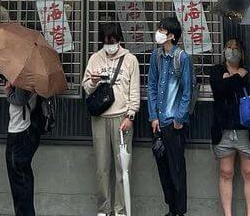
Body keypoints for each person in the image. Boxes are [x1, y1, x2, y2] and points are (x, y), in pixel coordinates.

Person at [82, 22, 140, 216]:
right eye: (106, 41)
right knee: (102, 166)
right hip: (99, 119)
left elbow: (134, 91)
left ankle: (121, 210)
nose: (110, 44)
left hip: (122, 118)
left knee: (122, 168)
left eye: (112, 40)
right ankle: (103, 208)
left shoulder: (130, 59)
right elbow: (86, 88)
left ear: (119, 39)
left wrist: (131, 115)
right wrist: (93, 81)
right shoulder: (95, 59)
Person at [148, 15, 193, 216]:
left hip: (175, 123)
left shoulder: (182, 58)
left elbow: (187, 91)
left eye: (162, 31)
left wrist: (179, 118)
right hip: (159, 121)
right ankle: (170, 208)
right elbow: (150, 87)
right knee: (163, 168)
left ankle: (179, 211)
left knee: (177, 169)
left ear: (172, 36)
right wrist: (153, 116)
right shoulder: (156, 56)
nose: (158, 33)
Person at [210, 39, 250, 216]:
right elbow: (219, 90)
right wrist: (237, 76)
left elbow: (249, 92)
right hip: (223, 128)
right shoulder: (217, 70)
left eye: (236, 48)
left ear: (242, 53)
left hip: (246, 128)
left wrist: (230, 81)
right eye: (228, 47)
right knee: (226, 172)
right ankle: (228, 214)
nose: (232, 51)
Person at [5, 82, 41, 216]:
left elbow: (19, 100)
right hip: (26, 131)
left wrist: (8, 92)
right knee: (23, 178)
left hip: (19, 131)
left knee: (19, 180)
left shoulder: (23, 77)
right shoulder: (31, 75)